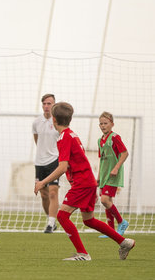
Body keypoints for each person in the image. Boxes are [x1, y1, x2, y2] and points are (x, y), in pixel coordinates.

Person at [34, 102, 135, 261]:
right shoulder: (72, 134)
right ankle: (124, 242)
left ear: (53, 120)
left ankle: (82, 254)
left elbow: (62, 167)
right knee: (89, 220)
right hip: (86, 182)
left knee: (62, 216)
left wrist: (42, 182)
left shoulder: (64, 138)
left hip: (82, 183)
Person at [97, 111, 129, 238]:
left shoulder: (115, 137)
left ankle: (122, 222)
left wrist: (116, 168)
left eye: (105, 123)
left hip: (113, 174)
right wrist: (99, 177)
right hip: (104, 175)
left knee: (105, 199)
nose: (103, 126)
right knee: (106, 201)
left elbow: (125, 153)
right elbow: (101, 159)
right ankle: (111, 230)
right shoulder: (100, 140)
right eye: (101, 123)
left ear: (112, 124)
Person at [32, 94, 60, 233]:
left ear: (54, 105)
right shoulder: (36, 122)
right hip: (40, 162)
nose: (46, 106)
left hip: (54, 160)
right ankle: (50, 219)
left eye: (49, 103)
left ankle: (51, 222)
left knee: (53, 192)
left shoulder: (58, 122)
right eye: (44, 103)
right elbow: (37, 140)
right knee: (43, 195)